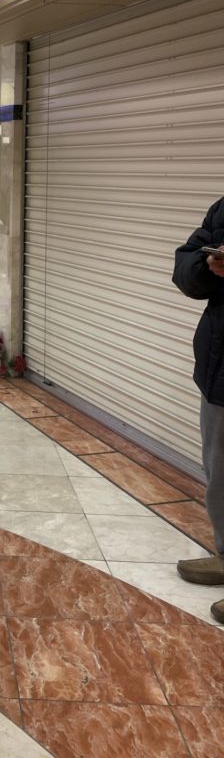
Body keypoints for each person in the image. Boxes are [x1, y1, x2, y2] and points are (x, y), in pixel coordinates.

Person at [173, 202, 224, 624]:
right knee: (220, 475)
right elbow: (185, 267)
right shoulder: (223, 210)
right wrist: (208, 266)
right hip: (219, 370)